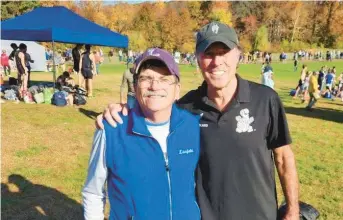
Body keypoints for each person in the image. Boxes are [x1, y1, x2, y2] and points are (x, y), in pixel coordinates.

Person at [96, 22, 299, 220]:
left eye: (224, 51)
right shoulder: (186, 107)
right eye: (208, 54)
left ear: (238, 55)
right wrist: (123, 110)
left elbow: (283, 159)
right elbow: (154, 107)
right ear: (198, 59)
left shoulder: (265, 99)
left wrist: (292, 210)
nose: (217, 61)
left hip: (260, 214)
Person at [82, 48, 201, 220]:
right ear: (135, 86)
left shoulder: (194, 125)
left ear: (177, 90)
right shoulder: (112, 129)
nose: (154, 86)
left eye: (164, 79)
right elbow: (93, 192)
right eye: (146, 78)